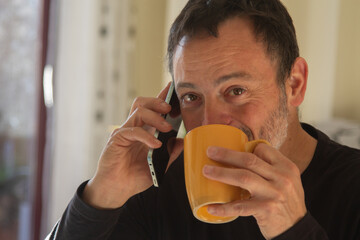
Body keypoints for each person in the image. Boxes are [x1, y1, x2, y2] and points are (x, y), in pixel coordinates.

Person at [47, 0, 360, 239]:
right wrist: (102, 195)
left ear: (294, 84)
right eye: (191, 97)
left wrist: (294, 229)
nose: (210, 121)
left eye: (236, 90)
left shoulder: (351, 186)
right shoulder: (161, 183)